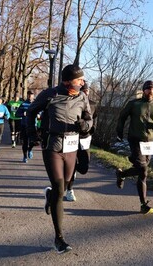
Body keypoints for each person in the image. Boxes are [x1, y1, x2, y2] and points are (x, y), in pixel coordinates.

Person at [27, 64, 92, 254]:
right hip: (52, 145)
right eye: (79, 79)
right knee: (58, 186)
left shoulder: (82, 97)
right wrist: (31, 133)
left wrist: (85, 126)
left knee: (62, 189)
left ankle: (50, 196)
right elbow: (31, 111)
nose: (82, 82)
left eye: (82, 79)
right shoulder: (50, 94)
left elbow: (90, 120)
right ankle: (59, 238)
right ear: (67, 80)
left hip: (71, 147)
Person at [115, 80, 153, 215]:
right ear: (144, 90)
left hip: (149, 142)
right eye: (148, 89)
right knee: (143, 170)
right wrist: (119, 133)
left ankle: (122, 174)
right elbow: (122, 117)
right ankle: (143, 204)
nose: (151, 91)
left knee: (141, 171)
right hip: (135, 139)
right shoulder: (134, 104)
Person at [65, 82, 97, 202]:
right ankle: (69, 190)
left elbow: (94, 120)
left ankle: (69, 170)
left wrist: (91, 130)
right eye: (83, 90)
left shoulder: (93, 105)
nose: (85, 93)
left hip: (85, 138)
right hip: (72, 137)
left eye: (87, 91)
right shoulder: (72, 102)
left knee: (84, 168)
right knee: (72, 164)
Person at [15, 91, 35, 163]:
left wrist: (39, 115)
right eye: (29, 95)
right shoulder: (23, 104)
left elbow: (40, 112)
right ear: (27, 96)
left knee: (33, 141)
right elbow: (17, 114)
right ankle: (25, 156)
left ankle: (30, 150)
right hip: (24, 125)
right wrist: (23, 114)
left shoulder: (35, 104)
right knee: (25, 142)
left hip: (33, 125)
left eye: (31, 95)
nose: (30, 97)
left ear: (33, 96)